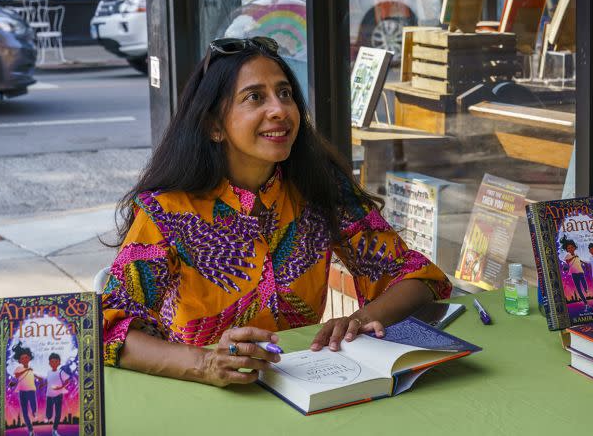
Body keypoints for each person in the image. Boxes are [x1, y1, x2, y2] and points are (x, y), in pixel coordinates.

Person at [101, 36, 451, 387]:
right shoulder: (168, 210)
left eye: (285, 94)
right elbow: (107, 329)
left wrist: (359, 320)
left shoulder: (319, 187)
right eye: (255, 97)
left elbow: (419, 277)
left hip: (310, 386)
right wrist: (206, 364)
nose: (280, 110)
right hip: (205, 397)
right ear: (214, 125)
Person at [11, 343, 39, 436]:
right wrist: (26, 370)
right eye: (22, 358)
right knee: (25, 411)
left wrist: (39, 377)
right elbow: (17, 375)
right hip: (22, 392)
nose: (24, 359)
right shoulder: (19, 368)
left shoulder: (32, 369)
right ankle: (31, 430)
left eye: (26, 357)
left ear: (30, 358)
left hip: (31, 391)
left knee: (33, 406)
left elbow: (33, 376)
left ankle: (34, 412)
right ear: (19, 360)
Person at [560, 238, 589, 311]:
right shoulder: (568, 256)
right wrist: (573, 257)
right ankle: (585, 303)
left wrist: (584, 263)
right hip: (574, 274)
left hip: (580, 271)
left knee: (584, 283)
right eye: (568, 248)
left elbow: (579, 260)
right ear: (567, 250)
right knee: (578, 289)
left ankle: (586, 289)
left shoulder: (577, 254)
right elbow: (567, 261)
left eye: (572, 247)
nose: (570, 249)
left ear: (574, 247)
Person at [44, 353, 69, 436]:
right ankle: (48, 417)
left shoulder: (61, 372)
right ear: (49, 363)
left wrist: (60, 387)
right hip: (49, 395)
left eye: (56, 361)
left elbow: (67, 381)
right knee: (49, 411)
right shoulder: (48, 372)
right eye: (52, 362)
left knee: (58, 413)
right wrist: (43, 385)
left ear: (59, 362)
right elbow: (49, 381)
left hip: (58, 395)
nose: (54, 363)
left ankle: (54, 430)